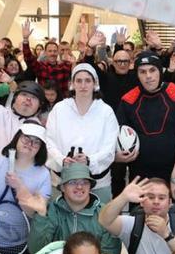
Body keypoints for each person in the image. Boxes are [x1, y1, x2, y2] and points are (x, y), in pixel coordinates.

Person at [0, 122, 52, 254]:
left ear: (41, 148)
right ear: (17, 138)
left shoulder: (43, 174)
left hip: (22, 247)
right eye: (26, 138)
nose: (30, 144)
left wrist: (20, 187)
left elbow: (34, 212)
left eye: (36, 142)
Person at [115, 50, 175, 192]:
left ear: (160, 71)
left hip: (171, 175)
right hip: (139, 178)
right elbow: (118, 137)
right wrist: (117, 157)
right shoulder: (128, 100)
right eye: (142, 72)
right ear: (137, 74)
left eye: (152, 70)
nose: (148, 76)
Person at [44, 62, 120, 202]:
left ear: (95, 83)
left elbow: (110, 147)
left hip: (98, 183)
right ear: (72, 84)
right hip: (62, 181)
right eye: (78, 81)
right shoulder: (59, 109)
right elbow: (49, 141)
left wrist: (90, 160)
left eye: (87, 80)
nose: (83, 85)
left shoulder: (106, 111)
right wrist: (62, 159)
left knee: (99, 222)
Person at [22, 162, 120, 254]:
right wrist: (41, 215)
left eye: (85, 182)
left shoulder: (104, 213)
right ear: (63, 188)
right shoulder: (51, 211)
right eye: (73, 182)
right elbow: (36, 250)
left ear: (90, 187)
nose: (79, 186)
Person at [21, 20, 73, 94]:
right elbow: (28, 58)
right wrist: (25, 40)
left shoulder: (65, 66)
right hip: (44, 101)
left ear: (58, 52)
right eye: (50, 51)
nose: (52, 53)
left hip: (62, 102)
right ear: (45, 52)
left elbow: (78, 70)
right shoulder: (40, 66)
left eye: (55, 51)